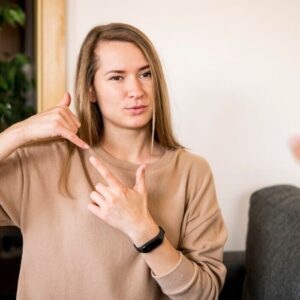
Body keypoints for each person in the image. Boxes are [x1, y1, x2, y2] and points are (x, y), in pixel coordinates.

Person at [0, 23, 227, 299]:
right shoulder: (42, 162)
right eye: (117, 77)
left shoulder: (192, 172)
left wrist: (144, 230)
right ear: (91, 90)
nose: (136, 90)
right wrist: (18, 133)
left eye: (145, 74)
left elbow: (204, 293)